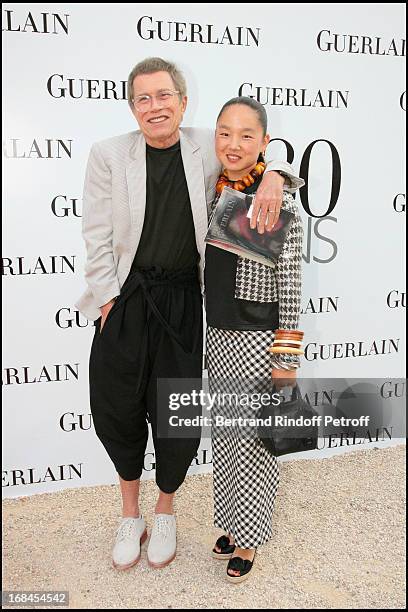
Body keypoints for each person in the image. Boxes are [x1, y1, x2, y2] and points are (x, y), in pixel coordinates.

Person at [75, 57, 302, 571]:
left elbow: (261, 149)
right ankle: (130, 514)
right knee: (117, 407)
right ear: (133, 107)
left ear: (182, 101)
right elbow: (94, 235)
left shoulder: (205, 146)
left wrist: (278, 177)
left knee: (181, 418)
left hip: (186, 302)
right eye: (143, 99)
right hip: (128, 300)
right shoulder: (108, 154)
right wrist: (107, 299)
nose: (155, 107)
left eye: (163, 96)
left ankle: (167, 510)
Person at [204, 97, 304, 583]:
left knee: (255, 445)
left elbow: (292, 287)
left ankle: (250, 537)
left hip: (258, 341)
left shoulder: (279, 205)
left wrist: (285, 362)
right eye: (225, 132)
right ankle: (229, 522)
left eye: (247, 134)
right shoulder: (214, 193)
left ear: (264, 141)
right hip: (217, 336)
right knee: (225, 438)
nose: (234, 143)